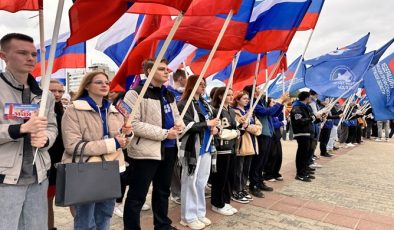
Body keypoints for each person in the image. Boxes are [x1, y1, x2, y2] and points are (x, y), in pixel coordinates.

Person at [0, 33, 58, 229]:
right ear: (3, 56)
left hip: (38, 176)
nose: (30, 58)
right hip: (5, 179)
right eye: (22, 53)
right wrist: (20, 128)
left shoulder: (45, 94)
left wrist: (45, 139)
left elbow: (52, 126)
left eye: (33, 54)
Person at [61, 71, 132, 230]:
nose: (105, 85)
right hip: (86, 169)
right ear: (87, 86)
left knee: (105, 215)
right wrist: (112, 143)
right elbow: (72, 145)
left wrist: (128, 135)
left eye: (107, 82)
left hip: (111, 169)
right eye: (99, 82)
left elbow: (122, 143)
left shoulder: (114, 110)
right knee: (85, 219)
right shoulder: (74, 110)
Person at [123, 59, 184, 230]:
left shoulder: (169, 94)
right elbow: (132, 123)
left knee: (163, 191)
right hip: (145, 152)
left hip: (170, 149)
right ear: (149, 71)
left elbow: (177, 116)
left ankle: (162, 224)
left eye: (167, 69)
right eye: (162, 69)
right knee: (137, 195)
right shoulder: (135, 93)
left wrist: (180, 126)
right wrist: (164, 133)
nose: (167, 72)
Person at [177, 76, 219, 229]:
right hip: (192, 149)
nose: (203, 86)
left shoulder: (205, 104)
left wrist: (216, 128)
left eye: (204, 84)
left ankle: (199, 213)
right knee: (190, 182)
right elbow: (185, 126)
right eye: (200, 84)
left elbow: (214, 121)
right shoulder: (183, 104)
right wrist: (207, 124)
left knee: (201, 182)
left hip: (207, 147)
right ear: (191, 85)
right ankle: (187, 217)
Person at [243, 86, 289, 198]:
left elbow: (272, 114)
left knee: (263, 161)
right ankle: (254, 185)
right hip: (261, 135)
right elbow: (266, 112)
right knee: (257, 162)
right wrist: (279, 100)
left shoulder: (261, 102)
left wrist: (282, 103)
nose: (260, 89)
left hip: (268, 135)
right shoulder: (252, 104)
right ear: (253, 91)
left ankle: (259, 181)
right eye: (258, 88)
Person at [210, 87, 240, 216]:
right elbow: (219, 132)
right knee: (220, 178)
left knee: (229, 177)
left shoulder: (232, 111)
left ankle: (225, 200)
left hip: (232, 148)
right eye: (228, 94)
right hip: (221, 149)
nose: (231, 97)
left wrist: (239, 128)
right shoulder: (216, 111)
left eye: (232, 94)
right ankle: (217, 203)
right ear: (220, 96)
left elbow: (235, 127)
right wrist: (235, 132)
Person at [232, 91, 262, 203]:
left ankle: (243, 188)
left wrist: (249, 126)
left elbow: (259, 129)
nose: (247, 100)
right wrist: (245, 122)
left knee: (246, 170)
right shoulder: (235, 112)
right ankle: (236, 190)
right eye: (244, 98)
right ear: (238, 100)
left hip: (252, 144)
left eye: (248, 99)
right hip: (241, 144)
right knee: (238, 170)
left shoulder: (251, 113)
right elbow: (238, 125)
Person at [291, 91, 322, 182]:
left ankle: (305, 171)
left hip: (308, 133)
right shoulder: (297, 107)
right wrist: (312, 118)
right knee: (302, 155)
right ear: (306, 98)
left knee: (307, 154)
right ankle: (300, 174)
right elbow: (299, 121)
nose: (311, 99)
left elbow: (310, 121)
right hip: (302, 133)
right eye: (310, 97)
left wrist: (318, 119)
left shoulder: (305, 107)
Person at [47, 79, 66, 230]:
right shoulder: (39, 110)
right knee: (46, 201)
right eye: (53, 91)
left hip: (62, 161)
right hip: (46, 162)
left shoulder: (63, 110)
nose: (57, 94)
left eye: (60, 91)